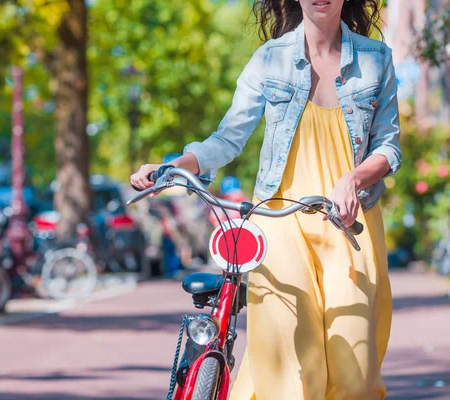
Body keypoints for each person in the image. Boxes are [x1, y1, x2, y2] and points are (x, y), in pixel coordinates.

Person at [131, 0, 401, 398]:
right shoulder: (269, 59)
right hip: (280, 222)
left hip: (349, 226)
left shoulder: (376, 58)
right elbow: (227, 138)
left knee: (354, 374)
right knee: (291, 366)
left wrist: (353, 179)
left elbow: (389, 146)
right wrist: (174, 166)